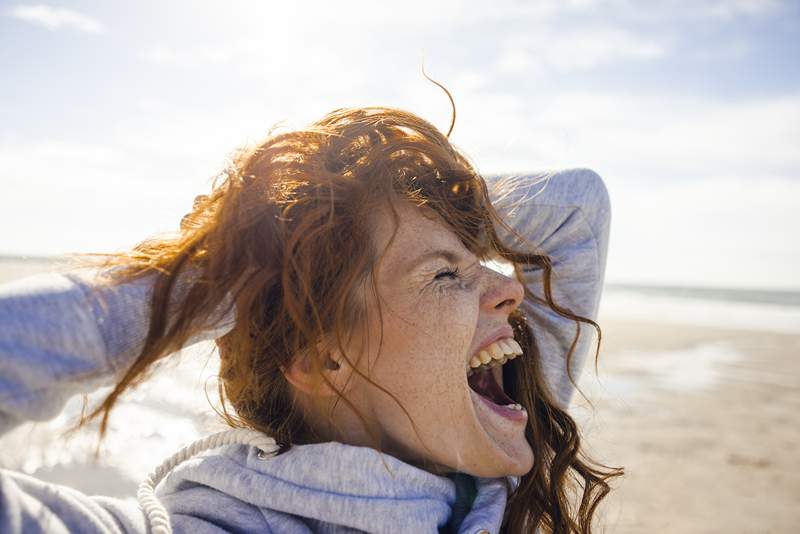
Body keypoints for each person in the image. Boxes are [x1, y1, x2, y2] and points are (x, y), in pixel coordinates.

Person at [0, 106, 622, 534]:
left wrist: (375, 208)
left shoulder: (500, 470)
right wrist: (221, 276)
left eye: (478, 260)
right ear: (324, 359)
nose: (510, 286)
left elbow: (577, 210)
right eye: (442, 274)